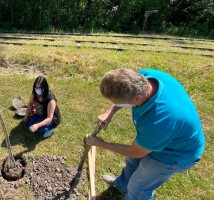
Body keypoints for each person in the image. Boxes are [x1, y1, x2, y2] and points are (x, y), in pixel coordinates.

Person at [86, 68, 205, 200]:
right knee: (132, 162)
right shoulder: (144, 77)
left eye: (118, 103)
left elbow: (135, 151)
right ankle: (122, 185)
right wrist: (110, 112)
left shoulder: (159, 120)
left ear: (137, 99)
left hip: (175, 153)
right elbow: (125, 99)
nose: (115, 105)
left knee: (139, 186)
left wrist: (102, 144)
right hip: (162, 136)